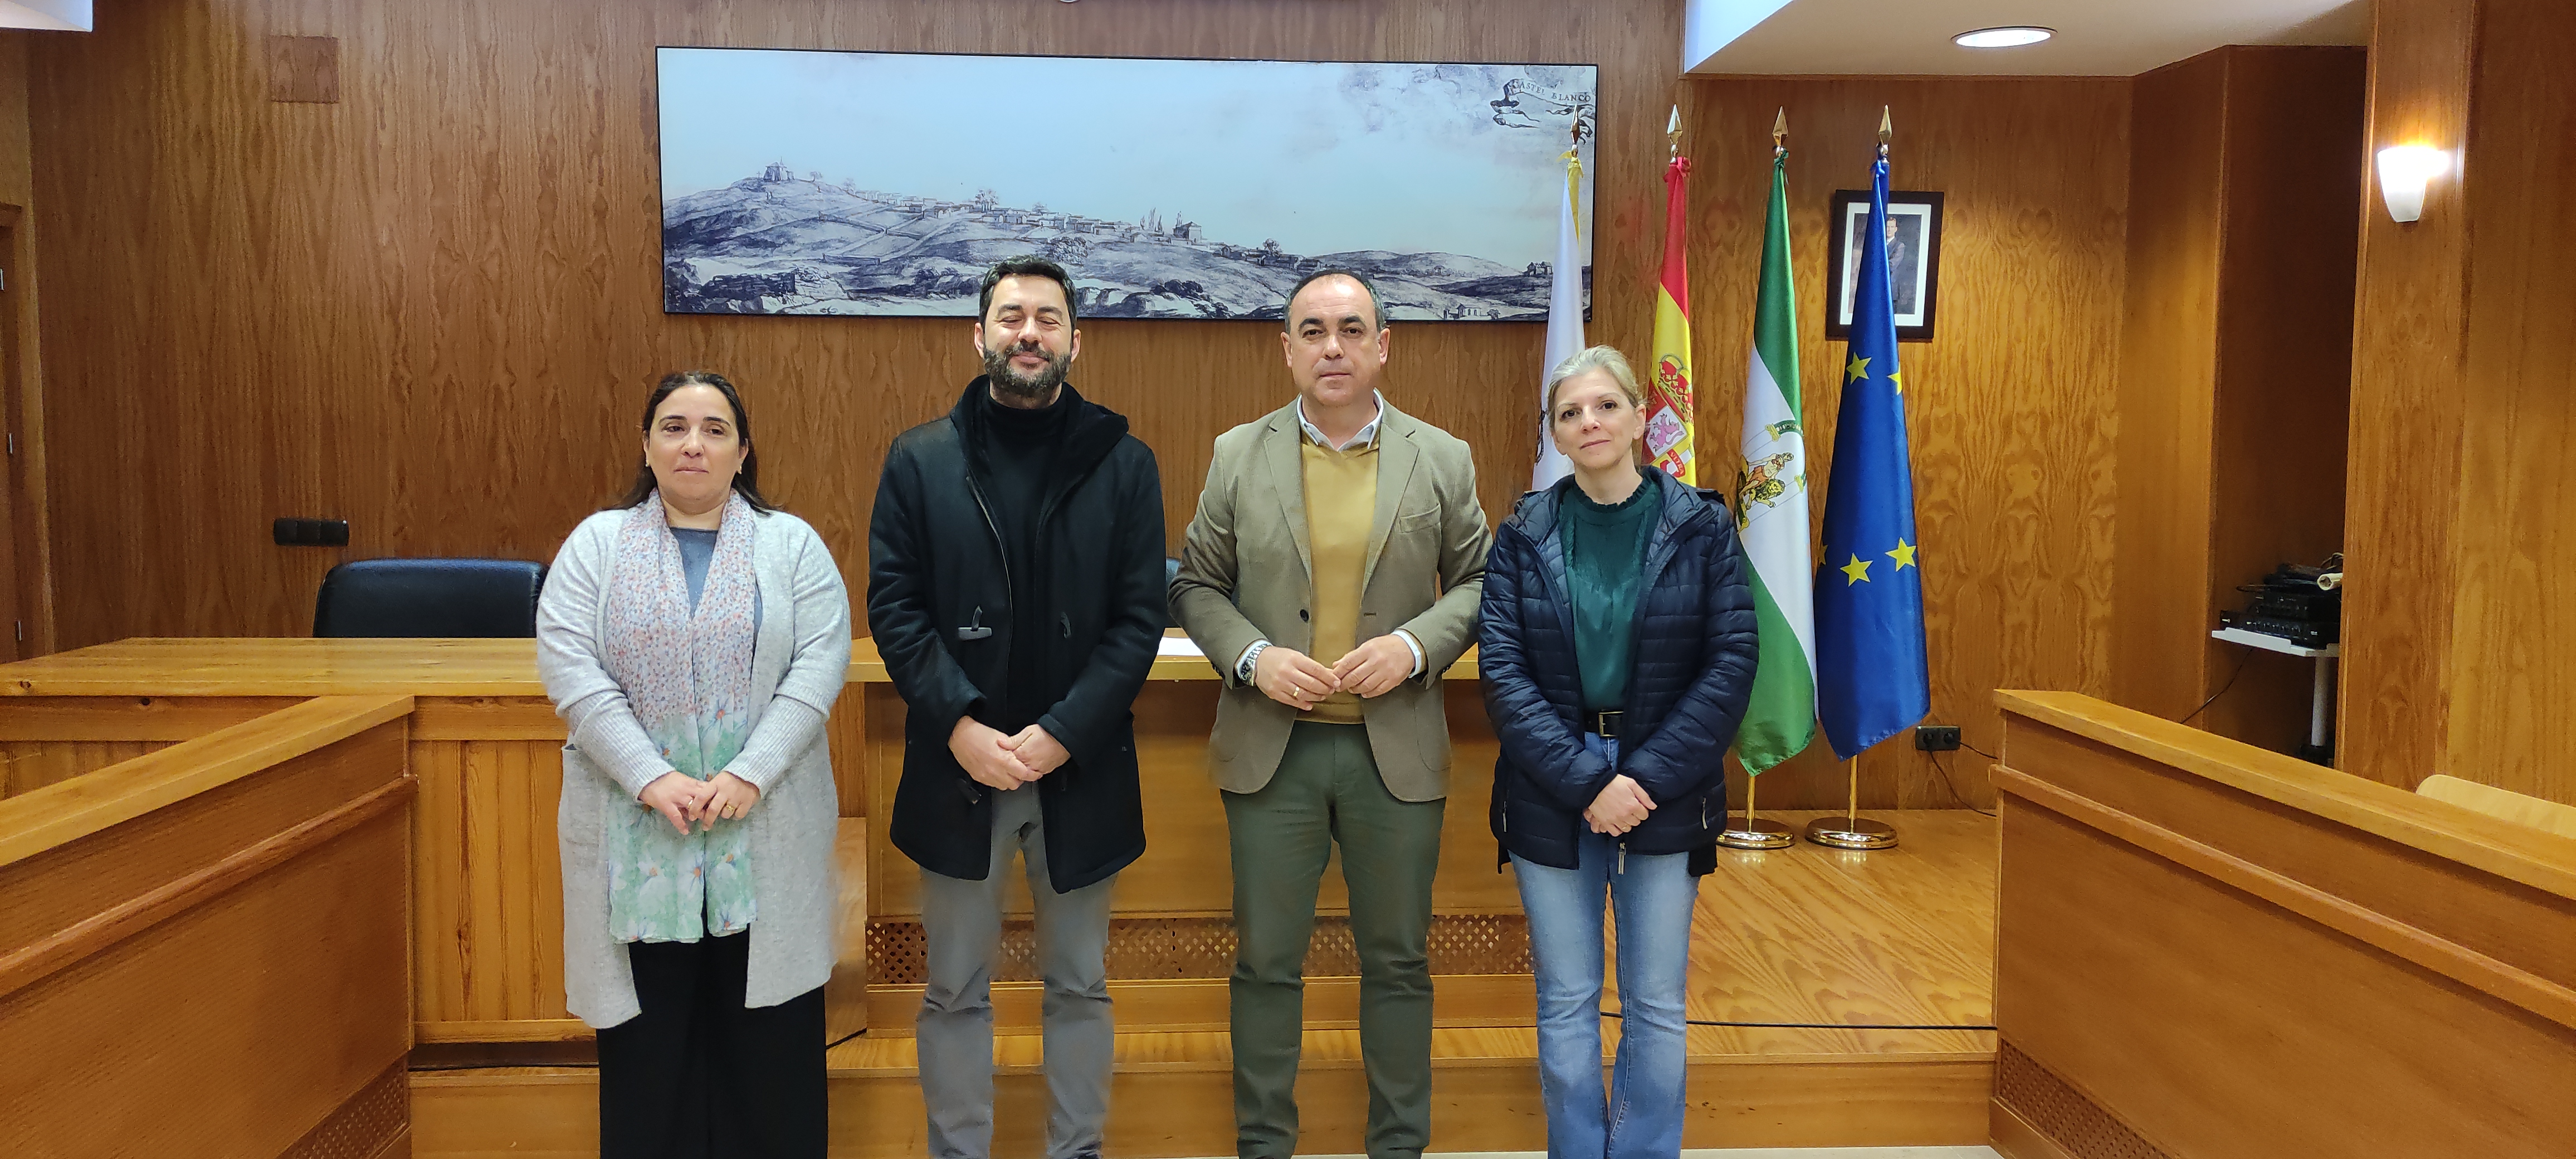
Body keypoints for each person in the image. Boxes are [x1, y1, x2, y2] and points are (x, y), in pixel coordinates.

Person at [1169, 269, 1491, 1159]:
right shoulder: (1239, 454)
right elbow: (1196, 584)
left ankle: (1400, 1145)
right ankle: (1264, 1144)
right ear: (1287, 350)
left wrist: (1415, 646)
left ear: (1383, 345)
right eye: (1312, 331)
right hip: (1275, 755)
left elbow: (1479, 583)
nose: (1333, 348)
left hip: (1398, 753)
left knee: (1399, 962)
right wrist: (1254, 657)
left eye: (1351, 330)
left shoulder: (1442, 457)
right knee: (1267, 963)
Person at [867, 256, 1167, 1159]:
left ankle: (1077, 1151)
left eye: (1047, 318)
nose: (1028, 333)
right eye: (1010, 317)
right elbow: (896, 609)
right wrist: (961, 726)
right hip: (960, 769)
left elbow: (1139, 621)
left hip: (1082, 767)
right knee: (954, 988)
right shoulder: (919, 459)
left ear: (1077, 340)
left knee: (1079, 984)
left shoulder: (1125, 464)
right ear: (980, 335)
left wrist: (1064, 733)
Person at [536, 370, 852, 1159]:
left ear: (743, 453)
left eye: (715, 430)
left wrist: (751, 771)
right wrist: (649, 776)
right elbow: (571, 668)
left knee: (769, 1054)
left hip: (765, 826)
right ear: (646, 446)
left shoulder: (792, 547)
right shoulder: (597, 546)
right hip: (637, 833)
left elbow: (819, 665)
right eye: (674, 427)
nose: (693, 445)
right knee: (651, 1058)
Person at [1479, 345, 1758, 1159]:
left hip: (1665, 787)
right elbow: (1504, 674)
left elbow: (1730, 663)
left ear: (1640, 418)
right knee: (1566, 1000)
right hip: (1550, 787)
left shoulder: (1702, 527)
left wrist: (1639, 779)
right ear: (1555, 434)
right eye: (1570, 413)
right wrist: (1587, 782)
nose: (1590, 422)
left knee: (1656, 1004)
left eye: (1606, 406)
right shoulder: (1521, 534)